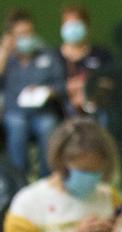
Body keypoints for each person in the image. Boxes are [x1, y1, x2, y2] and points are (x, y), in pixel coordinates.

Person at [1, 8, 66, 177]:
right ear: (11, 36)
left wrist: (47, 91)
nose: (26, 37)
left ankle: (46, 178)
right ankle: (18, 181)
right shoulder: (6, 58)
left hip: (42, 111)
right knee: (16, 127)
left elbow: (60, 84)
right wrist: (4, 52)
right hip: (15, 112)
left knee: (48, 126)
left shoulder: (47, 54)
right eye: (21, 34)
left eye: (29, 32)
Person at [57, 5, 111, 118]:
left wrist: (88, 90)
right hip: (64, 106)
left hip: (96, 103)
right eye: (69, 24)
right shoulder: (54, 56)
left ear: (86, 26)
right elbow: (50, 85)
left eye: (76, 24)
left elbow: (108, 81)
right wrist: (69, 89)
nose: (72, 29)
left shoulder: (101, 54)